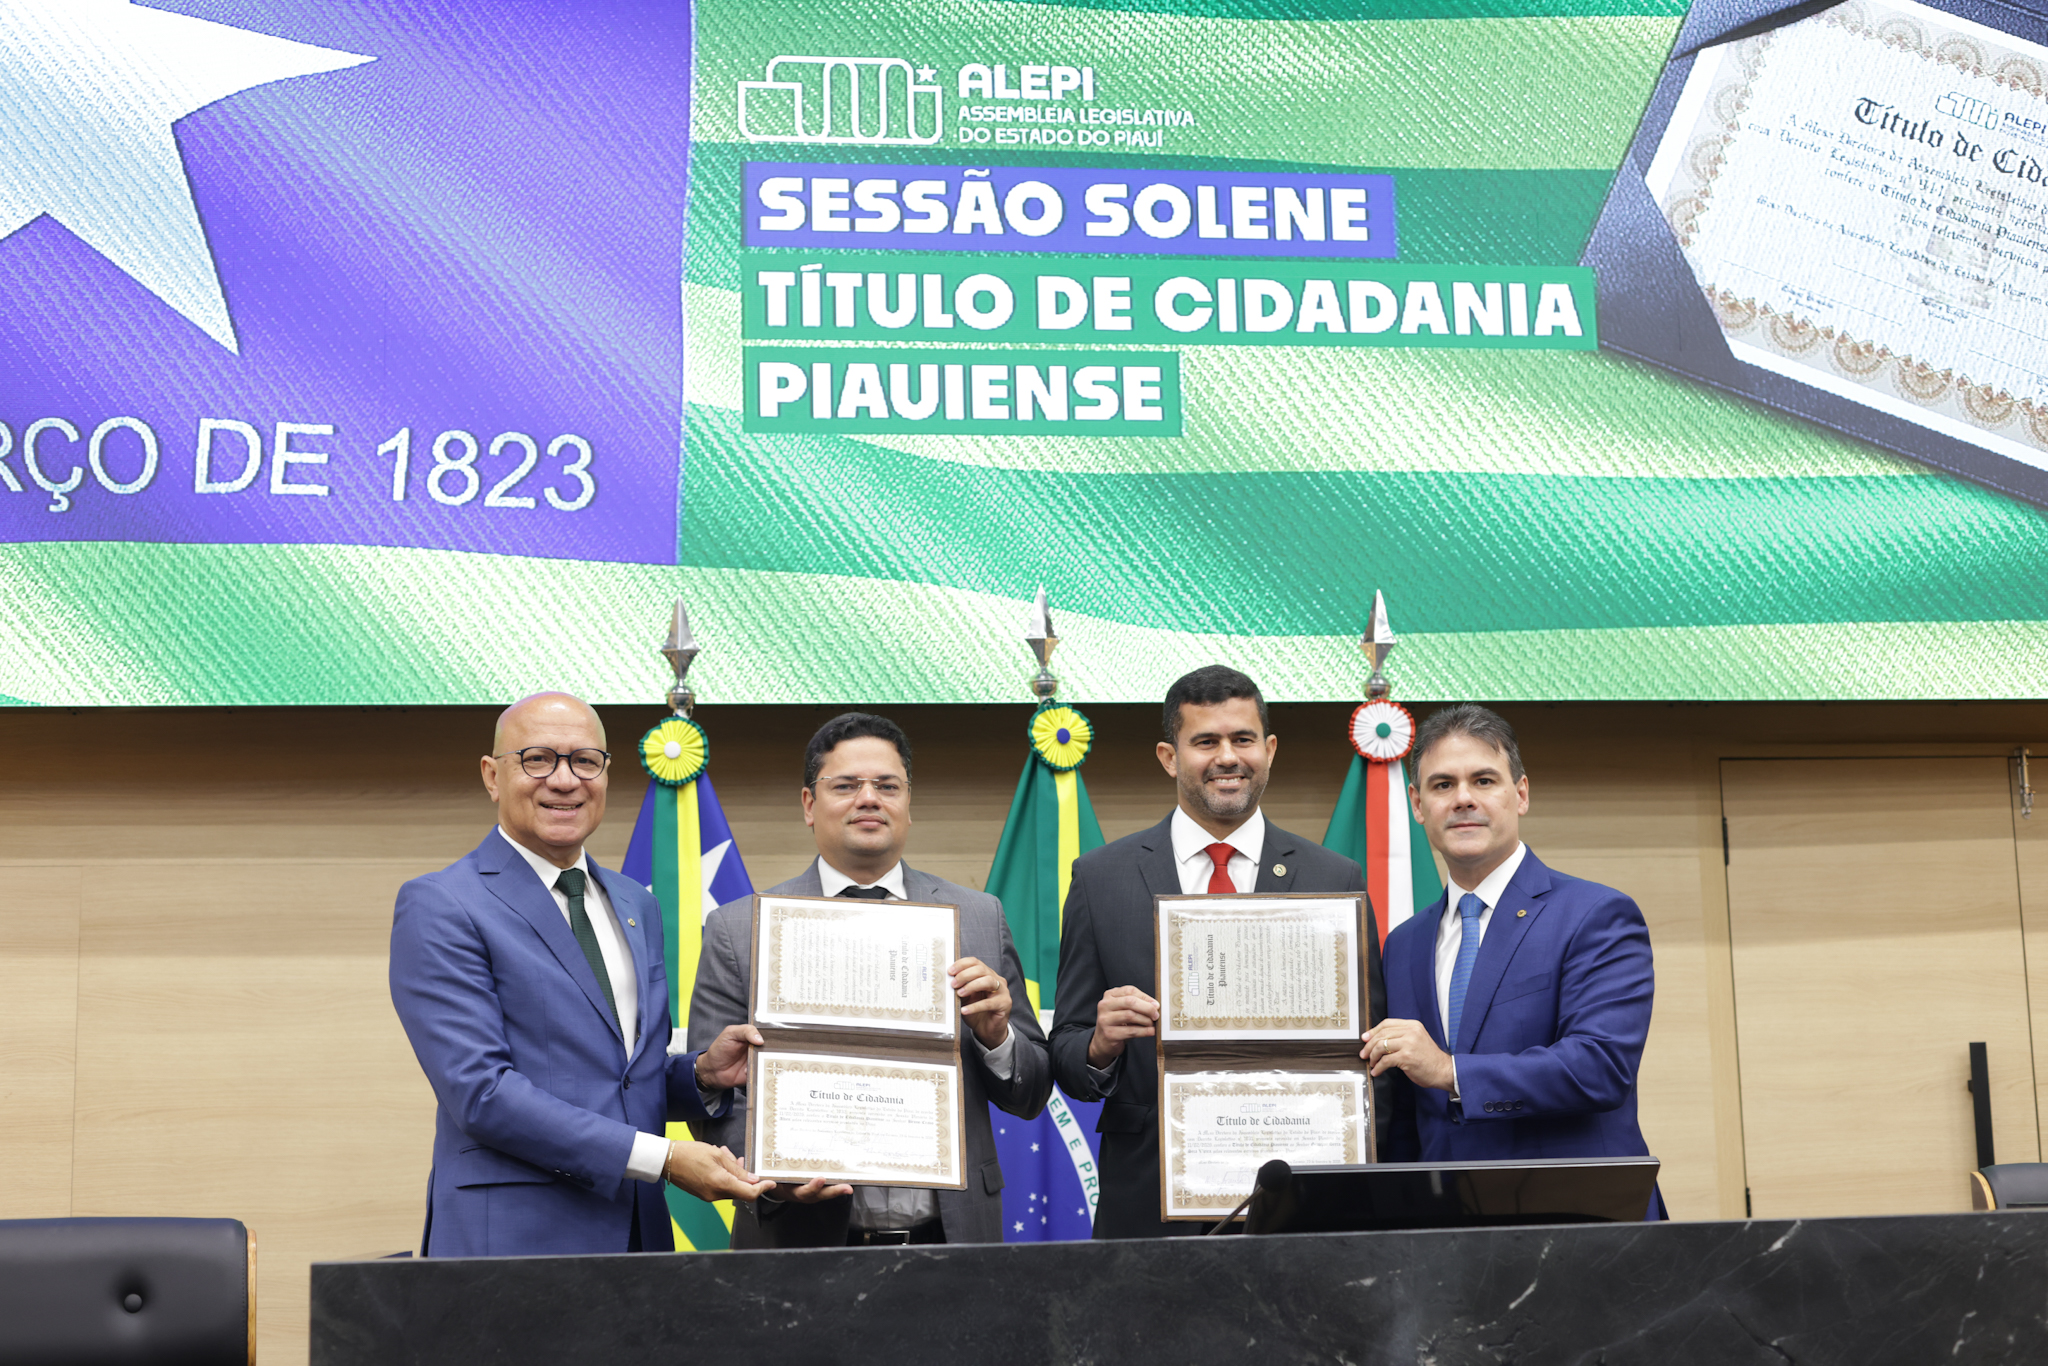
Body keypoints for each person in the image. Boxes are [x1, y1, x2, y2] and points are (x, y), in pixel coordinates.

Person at [389, 692, 773, 1256]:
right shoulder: (442, 904)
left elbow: (614, 1079)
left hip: (638, 1237)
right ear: (492, 776)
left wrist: (701, 1076)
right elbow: (482, 1092)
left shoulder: (635, 903)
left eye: (585, 761)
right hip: (512, 1243)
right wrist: (664, 1158)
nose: (565, 780)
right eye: (538, 759)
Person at [689, 711, 1052, 1246]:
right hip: (800, 1241)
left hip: (952, 1239)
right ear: (809, 804)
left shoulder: (978, 917)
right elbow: (711, 1096)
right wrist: (772, 1179)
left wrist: (997, 1038)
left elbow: (1032, 1093)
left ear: (908, 803)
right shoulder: (740, 928)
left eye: (887, 785)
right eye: (845, 786)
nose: (868, 798)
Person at [1050, 665, 1387, 1239]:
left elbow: (1370, 1051)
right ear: (1169, 757)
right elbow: (1065, 1051)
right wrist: (1101, 1046)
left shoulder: (1333, 878)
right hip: (1150, 1205)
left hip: (1300, 1198)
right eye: (1205, 741)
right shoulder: (1100, 879)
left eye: (1243, 739)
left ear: (1269, 750)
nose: (1227, 757)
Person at [1364, 703, 1664, 1217]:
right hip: (1448, 1229)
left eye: (1484, 781)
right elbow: (1409, 1113)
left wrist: (1450, 1071)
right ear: (1417, 804)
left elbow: (1600, 1066)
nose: (1463, 799)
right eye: (1442, 785)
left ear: (1520, 794)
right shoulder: (1404, 944)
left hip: (1581, 1223)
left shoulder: (1595, 914)